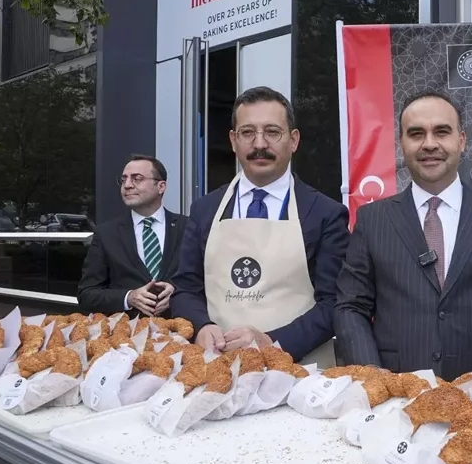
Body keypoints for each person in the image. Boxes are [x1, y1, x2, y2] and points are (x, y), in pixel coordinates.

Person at [333, 91, 472, 384]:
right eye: (416, 134)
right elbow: (350, 307)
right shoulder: (374, 220)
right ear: (401, 143)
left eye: (441, 132)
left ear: (461, 140)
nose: (429, 144)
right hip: (400, 394)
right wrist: (375, 377)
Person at [170, 86, 349, 365]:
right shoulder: (204, 210)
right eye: (247, 132)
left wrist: (272, 342)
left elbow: (335, 302)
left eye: (272, 132)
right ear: (233, 140)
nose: (259, 144)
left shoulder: (325, 214)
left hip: (299, 371)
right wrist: (201, 325)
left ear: (294, 140)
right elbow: (185, 288)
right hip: (217, 365)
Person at [78, 155, 186, 317]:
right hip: (127, 330)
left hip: (182, 327)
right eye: (123, 180)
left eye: (137, 179)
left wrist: (178, 293)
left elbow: (207, 281)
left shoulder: (188, 227)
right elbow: (87, 294)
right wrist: (129, 297)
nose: (127, 185)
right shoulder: (106, 233)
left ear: (161, 186)